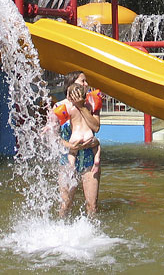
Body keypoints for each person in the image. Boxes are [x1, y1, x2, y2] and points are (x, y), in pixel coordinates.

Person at [52, 71, 101, 218]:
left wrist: (81, 107)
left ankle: (92, 234)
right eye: (83, 81)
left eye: (86, 81)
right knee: (66, 202)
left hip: (89, 157)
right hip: (68, 157)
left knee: (92, 205)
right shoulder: (60, 107)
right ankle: (60, 231)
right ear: (71, 85)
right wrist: (69, 145)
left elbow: (96, 127)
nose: (86, 84)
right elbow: (53, 137)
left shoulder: (92, 104)